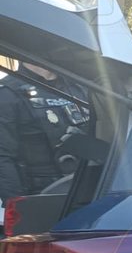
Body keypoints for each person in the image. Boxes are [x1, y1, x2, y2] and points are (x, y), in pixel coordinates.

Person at [0, 65, 84, 206]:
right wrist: (20, 210)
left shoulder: (79, 87)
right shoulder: (7, 94)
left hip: (90, 186)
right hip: (42, 196)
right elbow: (3, 157)